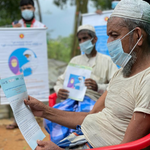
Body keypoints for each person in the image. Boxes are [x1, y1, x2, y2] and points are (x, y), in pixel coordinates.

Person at [24, 0, 150, 149]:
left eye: (114, 35)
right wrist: (43, 110)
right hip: (81, 136)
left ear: (138, 36)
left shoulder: (146, 81)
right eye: (108, 36)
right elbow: (90, 116)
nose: (109, 42)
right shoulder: (121, 73)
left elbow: (127, 147)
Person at [44, 24, 118, 144]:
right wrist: (59, 90)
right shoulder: (75, 61)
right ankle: (63, 145)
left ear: (94, 39)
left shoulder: (107, 61)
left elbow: (116, 86)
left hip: (96, 102)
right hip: (72, 100)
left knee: (86, 120)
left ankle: (79, 144)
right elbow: (60, 81)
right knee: (52, 117)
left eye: (85, 38)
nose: (82, 42)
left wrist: (98, 87)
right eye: (80, 40)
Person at [6, 0, 45, 130]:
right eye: (23, 8)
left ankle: (36, 119)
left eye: (28, 7)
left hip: (34, 64)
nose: (26, 10)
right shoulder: (15, 25)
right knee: (16, 89)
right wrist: (12, 30)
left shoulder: (40, 27)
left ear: (34, 9)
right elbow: (6, 41)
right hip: (17, 63)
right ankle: (16, 120)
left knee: (35, 88)